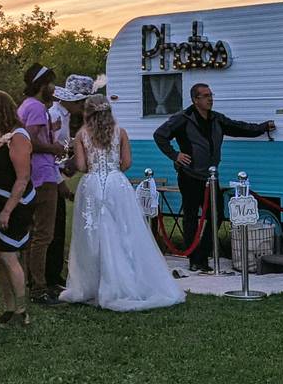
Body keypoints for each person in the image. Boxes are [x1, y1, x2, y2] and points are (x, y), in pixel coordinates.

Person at [61, 95, 185, 311]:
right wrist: (112, 168)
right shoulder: (121, 132)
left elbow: (80, 165)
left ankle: (93, 282)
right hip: (116, 184)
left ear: (88, 113)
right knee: (124, 231)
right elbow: (127, 163)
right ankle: (125, 279)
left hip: (92, 185)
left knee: (92, 235)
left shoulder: (82, 134)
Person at [153, 84, 275, 272]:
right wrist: (175, 155)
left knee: (216, 214)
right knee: (192, 216)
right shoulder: (183, 119)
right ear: (195, 100)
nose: (210, 99)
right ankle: (194, 259)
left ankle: (203, 252)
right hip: (189, 175)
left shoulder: (217, 119)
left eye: (211, 95)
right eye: (205, 96)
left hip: (211, 177)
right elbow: (160, 135)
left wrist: (263, 127)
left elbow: (239, 127)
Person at [0, 91, 34, 326]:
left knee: (8, 255)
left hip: (13, 204)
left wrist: (7, 211)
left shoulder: (18, 137)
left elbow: (22, 178)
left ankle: (22, 310)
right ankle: (9, 307)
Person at [16, 63, 67, 305]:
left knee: (33, 232)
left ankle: (31, 281)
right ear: (42, 85)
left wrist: (50, 130)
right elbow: (31, 142)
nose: (54, 88)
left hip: (31, 175)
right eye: (51, 83)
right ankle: (39, 288)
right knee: (44, 234)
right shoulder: (36, 107)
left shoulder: (27, 106)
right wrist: (54, 147)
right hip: (43, 174)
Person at [45, 74, 94, 294]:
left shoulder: (64, 117)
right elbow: (47, 154)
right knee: (51, 228)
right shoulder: (54, 116)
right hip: (48, 178)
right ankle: (48, 276)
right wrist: (59, 182)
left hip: (58, 174)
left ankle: (54, 274)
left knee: (58, 225)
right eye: (82, 103)